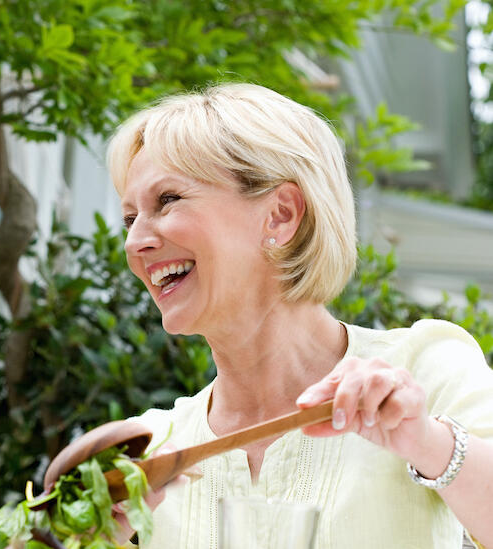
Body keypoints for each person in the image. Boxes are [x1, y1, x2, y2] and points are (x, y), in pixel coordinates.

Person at [105, 83, 493, 548]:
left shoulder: (424, 369)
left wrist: (427, 442)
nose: (134, 242)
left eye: (167, 200)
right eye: (130, 219)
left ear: (281, 215)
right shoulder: (152, 452)